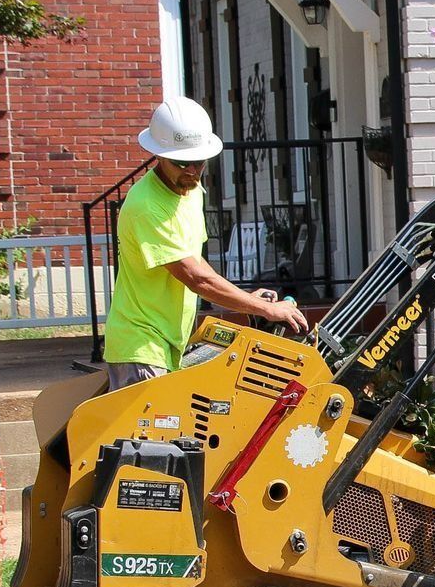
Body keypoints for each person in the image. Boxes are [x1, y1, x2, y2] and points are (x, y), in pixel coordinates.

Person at [102, 98, 309, 390]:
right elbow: (195, 278)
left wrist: (245, 298)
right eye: (182, 162)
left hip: (167, 340)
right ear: (158, 155)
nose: (191, 170)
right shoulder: (146, 206)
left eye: (198, 161)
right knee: (152, 436)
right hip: (141, 346)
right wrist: (263, 309)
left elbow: (196, 262)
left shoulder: (191, 190)